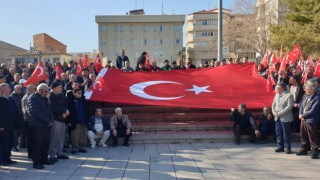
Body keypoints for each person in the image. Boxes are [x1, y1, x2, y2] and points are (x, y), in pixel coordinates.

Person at [27, 83, 54, 169]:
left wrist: (51, 120)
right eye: (46, 91)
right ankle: (36, 162)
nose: (47, 93)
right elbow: (35, 112)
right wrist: (47, 121)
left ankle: (44, 159)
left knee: (45, 143)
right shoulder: (32, 98)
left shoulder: (44, 98)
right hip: (37, 126)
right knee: (38, 144)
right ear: (40, 90)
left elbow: (49, 110)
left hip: (46, 125)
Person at [296, 81, 320, 159]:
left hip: (312, 120)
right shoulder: (305, 96)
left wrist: (303, 115)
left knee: (312, 136)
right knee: (303, 135)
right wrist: (300, 115)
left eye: (307, 88)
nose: (306, 89)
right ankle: (304, 149)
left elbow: (314, 110)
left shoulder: (317, 97)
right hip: (303, 119)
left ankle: (314, 151)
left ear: (312, 89)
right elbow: (302, 106)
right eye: (306, 88)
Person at [48, 81, 69, 162]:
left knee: (61, 138)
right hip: (56, 119)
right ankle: (52, 155)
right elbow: (53, 108)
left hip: (62, 119)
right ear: (55, 88)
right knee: (54, 138)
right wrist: (64, 111)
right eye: (60, 87)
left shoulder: (61, 95)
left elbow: (65, 104)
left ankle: (59, 153)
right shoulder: (50, 96)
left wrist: (66, 110)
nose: (61, 89)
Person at [272, 83, 294, 154]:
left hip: (285, 117)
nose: (276, 90)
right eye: (276, 88)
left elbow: (289, 106)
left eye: (277, 88)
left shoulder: (289, 95)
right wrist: (274, 113)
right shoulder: (276, 95)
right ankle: (280, 146)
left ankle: (288, 147)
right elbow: (273, 105)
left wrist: (280, 114)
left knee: (286, 133)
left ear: (282, 88)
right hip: (277, 117)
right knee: (278, 132)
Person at [66, 88, 89, 154]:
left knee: (83, 135)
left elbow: (88, 110)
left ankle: (82, 147)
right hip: (74, 120)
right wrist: (69, 121)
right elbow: (68, 111)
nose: (80, 94)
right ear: (74, 93)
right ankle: (75, 148)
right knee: (75, 135)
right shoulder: (70, 100)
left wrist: (87, 120)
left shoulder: (84, 100)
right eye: (78, 93)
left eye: (81, 93)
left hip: (83, 120)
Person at [0, 83, 18, 166]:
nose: (10, 89)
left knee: (10, 142)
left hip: (11, 125)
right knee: (3, 143)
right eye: (8, 88)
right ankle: (3, 159)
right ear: (3, 90)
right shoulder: (0, 100)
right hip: (3, 126)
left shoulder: (9, 98)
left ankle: (7, 158)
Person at [21, 84, 36, 158]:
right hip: (28, 121)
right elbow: (27, 111)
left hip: (31, 120)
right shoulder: (26, 98)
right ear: (30, 89)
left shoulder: (31, 97)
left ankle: (32, 153)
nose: (35, 90)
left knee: (32, 138)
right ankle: (31, 154)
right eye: (34, 89)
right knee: (30, 138)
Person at [10, 85, 25, 151]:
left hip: (22, 115)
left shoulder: (22, 95)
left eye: (21, 89)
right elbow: (15, 107)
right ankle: (14, 145)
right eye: (18, 89)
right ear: (15, 89)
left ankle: (22, 143)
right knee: (15, 132)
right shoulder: (12, 96)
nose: (20, 90)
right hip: (16, 116)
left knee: (22, 131)